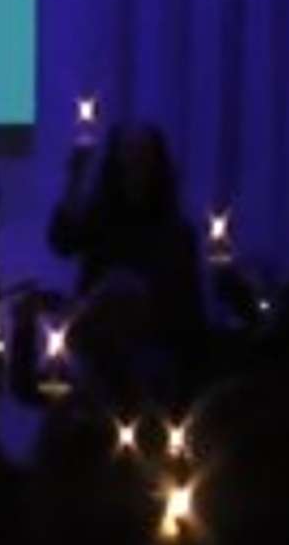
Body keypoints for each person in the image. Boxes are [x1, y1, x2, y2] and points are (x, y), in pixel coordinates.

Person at [48, 122, 204, 399]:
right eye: (127, 155)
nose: (135, 165)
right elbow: (61, 242)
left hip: (152, 351)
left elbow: (187, 310)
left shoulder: (176, 231)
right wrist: (75, 179)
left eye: (142, 156)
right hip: (95, 345)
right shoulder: (101, 219)